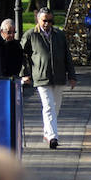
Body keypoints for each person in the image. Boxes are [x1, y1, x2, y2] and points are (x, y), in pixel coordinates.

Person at [21, 8, 78, 147]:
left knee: (56, 107)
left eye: (50, 21)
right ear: (38, 20)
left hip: (58, 76)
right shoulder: (31, 35)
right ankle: (53, 137)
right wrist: (24, 73)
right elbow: (21, 55)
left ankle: (47, 132)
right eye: (44, 20)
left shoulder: (59, 34)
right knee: (48, 106)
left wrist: (72, 75)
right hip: (41, 76)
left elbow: (67, 56)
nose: (47, 23)